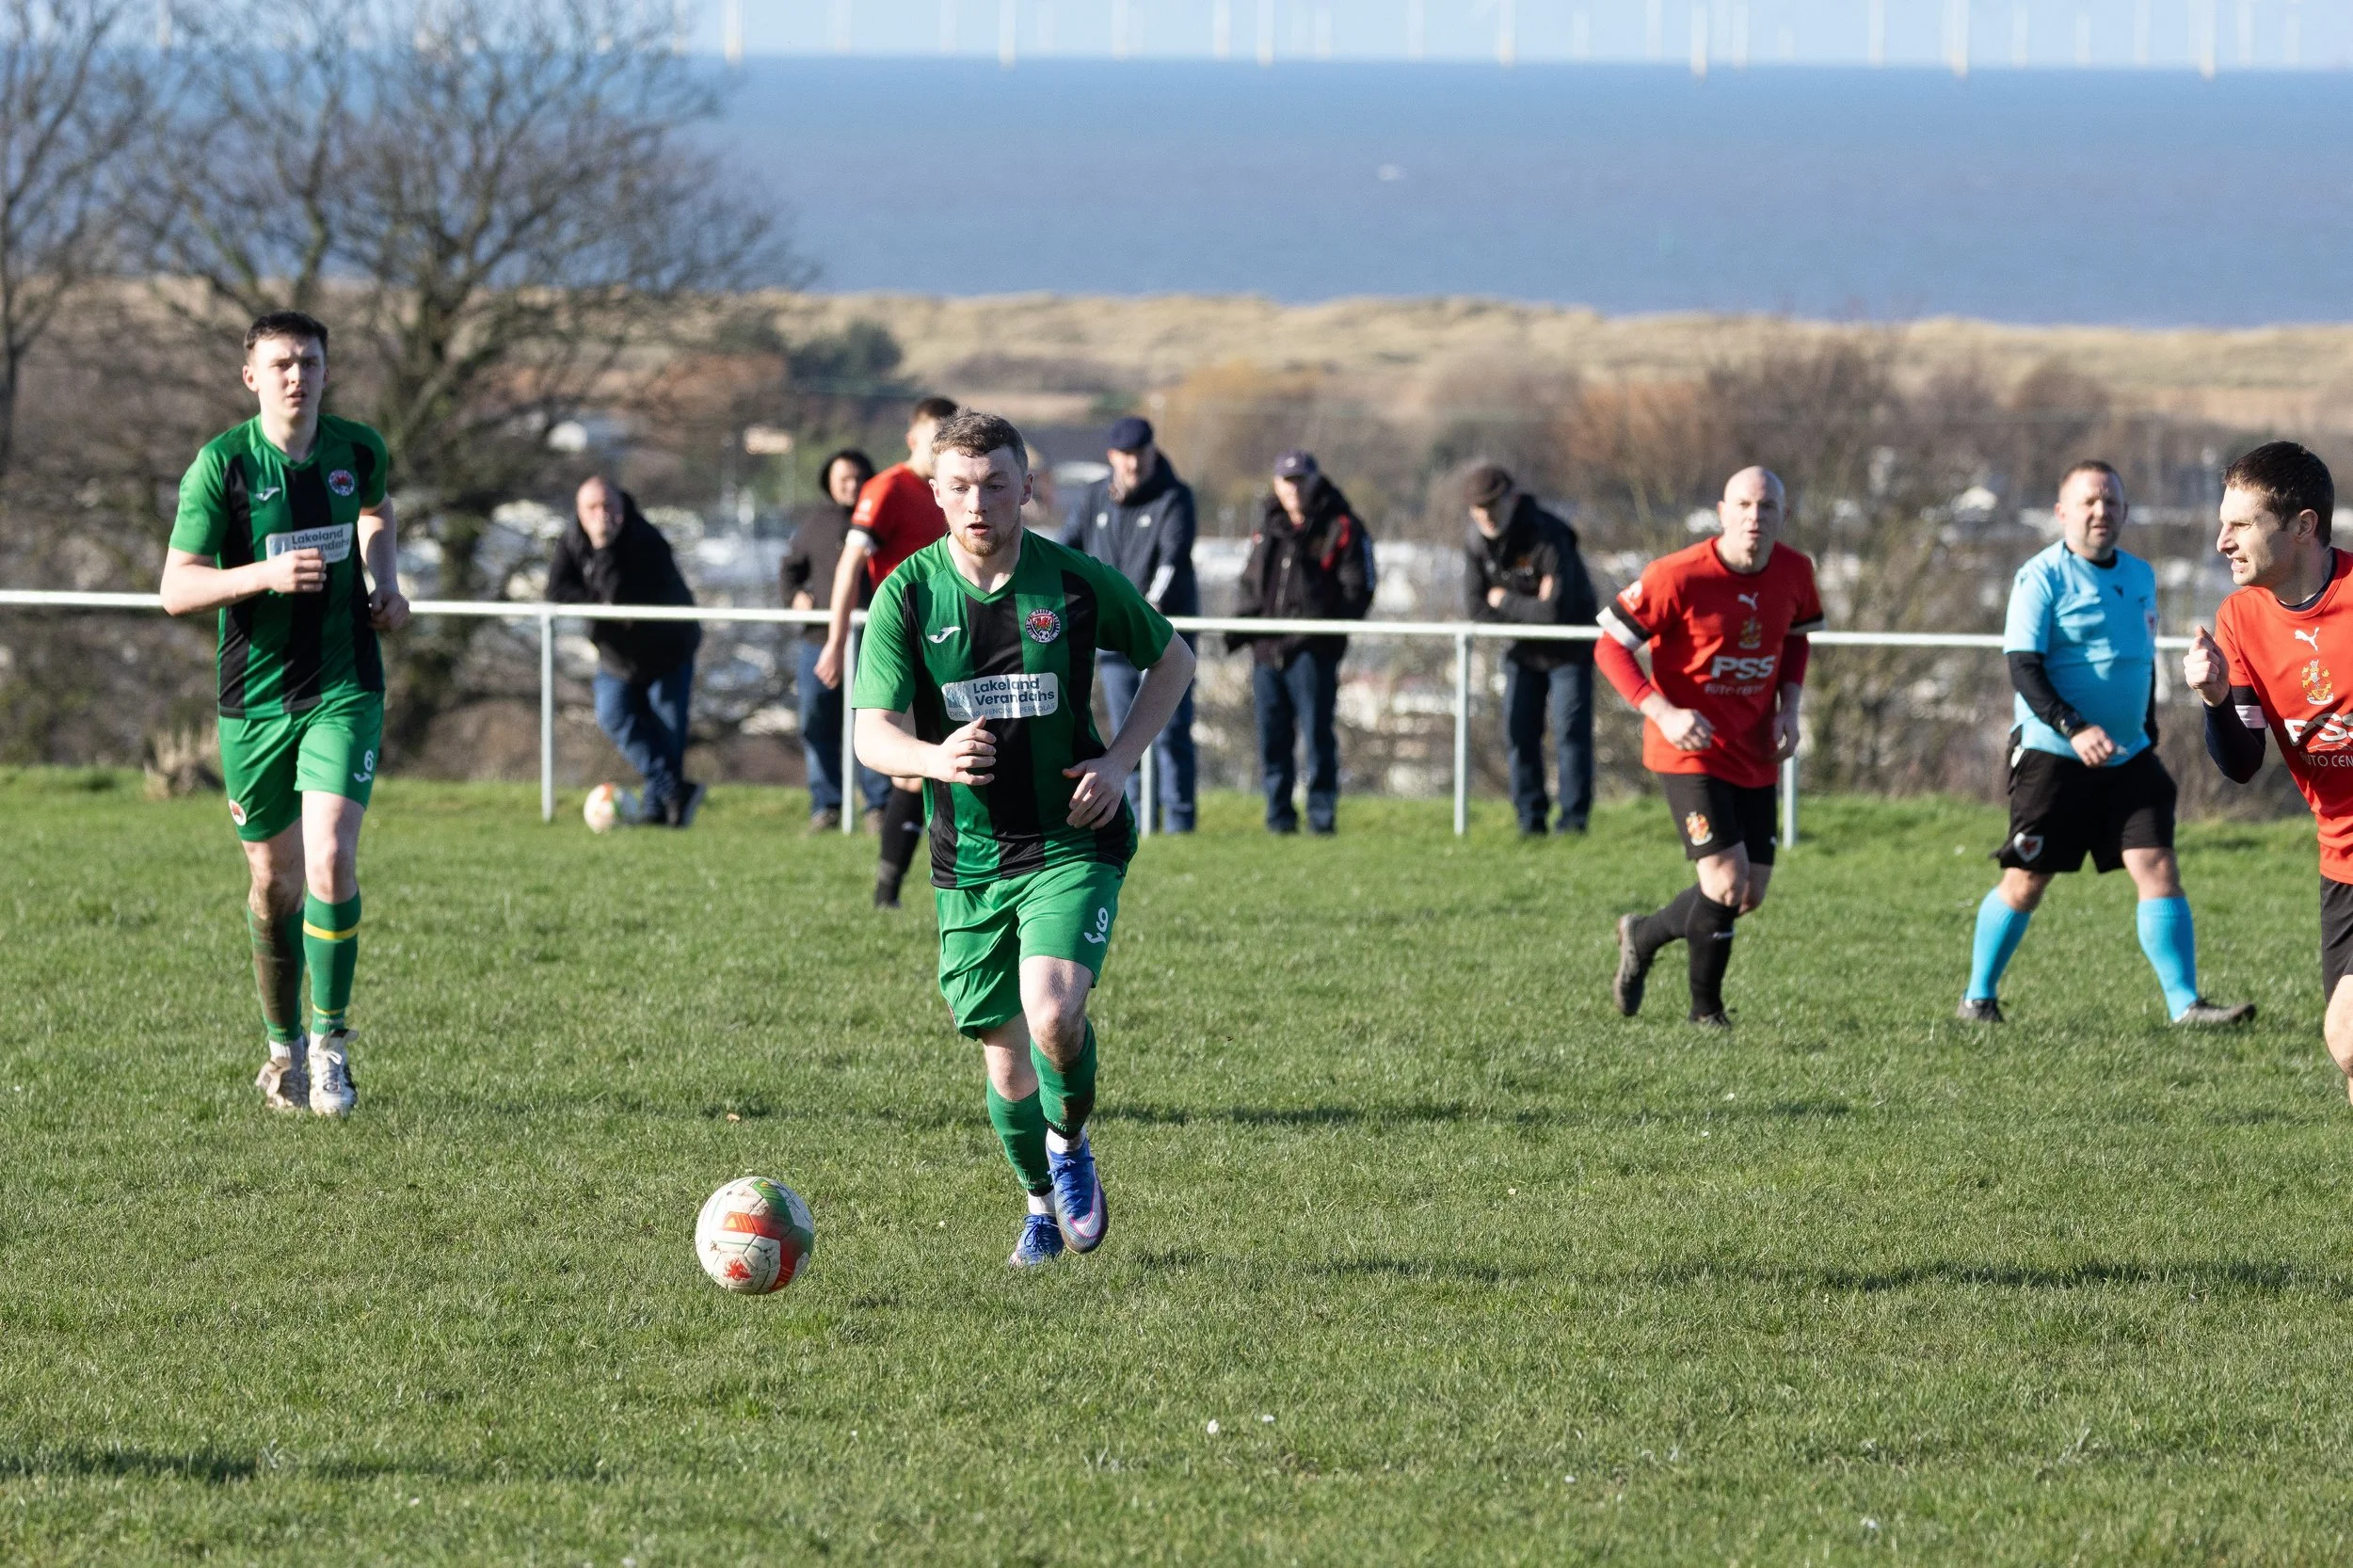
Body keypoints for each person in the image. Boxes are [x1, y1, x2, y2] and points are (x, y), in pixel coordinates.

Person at [852, 410, 1196, 1268]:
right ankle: (1040, 1204)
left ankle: (1071, 1146)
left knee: (1054, 1012)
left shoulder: (1075, 583)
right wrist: (931, 755)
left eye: (997, 485)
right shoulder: (909, 594)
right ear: (934, 493)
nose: (979, 503)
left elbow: (1174, 660)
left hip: (1070, 839)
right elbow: (870, 735)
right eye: (960, 487)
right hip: (968, 859)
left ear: (1027, 489)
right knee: (1007, 1065)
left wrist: (1119, 762)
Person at [158, 310, 408, 1117]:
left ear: (328, 372)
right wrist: (259, 578)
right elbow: (177, 589)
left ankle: (332, 1048)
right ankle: (283, 1050)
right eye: (281, 364)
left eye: (310, 362)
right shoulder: (222, 466)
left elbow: (377, 510)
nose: (297, 376)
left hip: (344, 686)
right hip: (255, 701)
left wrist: (385, 582)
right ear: (252, 377)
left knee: (330, 856)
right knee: (274, 883)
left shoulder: (356, 449)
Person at [1961, 460, 2251, 1026]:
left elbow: (2137, 661)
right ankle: (1978, 998)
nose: (2101, 512)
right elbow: (2023, 668)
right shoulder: (2039, 576)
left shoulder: (2141, 574)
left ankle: (2185, 1005)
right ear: (2062, 512)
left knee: (2158, 864)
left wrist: (2145, 726)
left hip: (2129, 756)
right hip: (2054, 752)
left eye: (2112, 502)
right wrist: (2075, 727)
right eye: (2089, 502)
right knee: (2026, 879)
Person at [1597, 466, 1821, 1028]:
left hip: (1754, 749)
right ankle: (1707, 1015)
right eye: (1743, 505)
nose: (1754, 517)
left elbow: (1796, 637)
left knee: (1746, 894)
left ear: (1783, 517)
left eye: (1766, 507)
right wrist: (1663, 711)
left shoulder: (1796, 571)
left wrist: (1789, 708)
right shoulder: (1677, 575)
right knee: (1722, 880)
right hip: (1688, 749)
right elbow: (1610, 648)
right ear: (1721, 511)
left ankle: (1642, 935)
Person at [2187, 440, 2353, 1096]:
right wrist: (2216, 698)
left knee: (2347, 1034)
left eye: (2241, 524)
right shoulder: (2240, 617)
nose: (2222, 539)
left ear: (2303, 526)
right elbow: (2242, 761)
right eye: (2222, 522)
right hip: (2339, 859)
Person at [817, 395, 958, 905]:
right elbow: (850, 564)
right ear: (913, 438)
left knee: (932, 770)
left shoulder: (951, 491)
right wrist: (835, 640)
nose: (944, 446)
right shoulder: (888, 488)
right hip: (903, 643)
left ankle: (893, 891)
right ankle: (890, 889)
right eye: (935, 436)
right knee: (913, 772)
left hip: (952, 643)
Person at [1062, 416, 1200, 832]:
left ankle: (1179, 822)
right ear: (1112, 457)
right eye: (1125, 456)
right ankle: (1138, 820)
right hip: (1110, 642)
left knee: (1172, 730)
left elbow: (1172, 560)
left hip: (1164, 637)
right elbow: (1067, 553)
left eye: (1140, 455)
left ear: (1152, 452)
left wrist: (1147, 613)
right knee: (1127, 734)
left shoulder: (1175, 498)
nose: (1133, 465)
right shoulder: (1092, 498)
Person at [547, 476, 705, 827]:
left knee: (667, 732)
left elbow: (618, 595)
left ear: (622, 507)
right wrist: (596, 602)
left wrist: (603, 548)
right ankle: (676, 790)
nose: (601, 515)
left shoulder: (646, 541)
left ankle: (657, 811)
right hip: (617, 655)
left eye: (608, 506)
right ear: (578, 511)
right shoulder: (572, 539)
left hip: (667, 652)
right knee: (613, 715)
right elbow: (557, 591)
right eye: (592, 507)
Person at [1231, 449, 1374, 835]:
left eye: (1300, 481)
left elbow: (1358, 589)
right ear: (1276, 485)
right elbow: (1250, 581)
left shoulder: (1341, 526)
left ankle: (1321, 818)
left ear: (1315, 481)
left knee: (1316, 736)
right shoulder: (1267, 525)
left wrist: (1321, 627)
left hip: (1313, 650)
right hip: (1266, 648)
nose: (1293, 490)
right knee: (1272, 739)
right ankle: (1278, 818)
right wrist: (1243, 627)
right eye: (1286, 482)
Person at [1462, 462, 1598, 836]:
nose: (1486, 515)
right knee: (1518, 731)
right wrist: (1527, 612)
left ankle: (1573, 822)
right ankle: (1530, 820)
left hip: (1570, 647)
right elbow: (1475, 609)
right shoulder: (1475, 542)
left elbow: (1554, 612)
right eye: (1478, 508)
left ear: (1512, 498)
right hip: (1522, 650)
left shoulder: (1548, 535)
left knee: (1570, 733)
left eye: (1492, 505)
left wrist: (1503, 599)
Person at [781, 448, 888, 832]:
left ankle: (878, 806)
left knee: (873, 720)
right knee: (816, 720)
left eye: (858, 478)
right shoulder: (813, 524)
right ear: (828, 481)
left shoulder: (881, 519)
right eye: (843, 478)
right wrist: (795, 596)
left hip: (872, 643)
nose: (851, 485)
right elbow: (790, 571)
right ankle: (825, 806)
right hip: (817, 641)